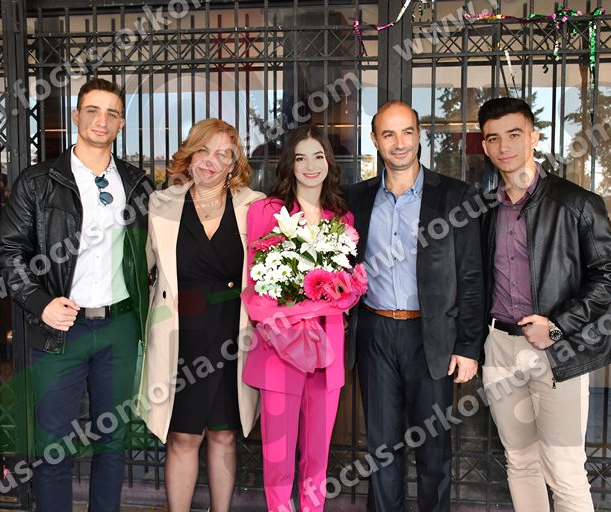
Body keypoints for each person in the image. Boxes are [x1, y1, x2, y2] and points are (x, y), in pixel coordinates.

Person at [0, 78, 152, 512]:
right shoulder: (39, 181)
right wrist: (40, 302)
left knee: (113, 441)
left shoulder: (137, 183)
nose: (102, 120)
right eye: (93, 110)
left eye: (112, 113)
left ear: (121, 123)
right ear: (77, 116)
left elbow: (154, 253)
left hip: (119, 327)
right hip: (60, 330)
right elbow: (7, 251)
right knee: (52, 445)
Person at [477, 97, 611, 512]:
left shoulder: (576, 202)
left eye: (514, 134)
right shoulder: (486, 210)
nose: (505, 146)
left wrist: (558, 325)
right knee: (520, 461)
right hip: (499, 347)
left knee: (564, 469)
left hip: (558, 350)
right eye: (494, 138)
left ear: (534, 137)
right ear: (485, 147)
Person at [343, 100, 485, 511]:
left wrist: (469, 346)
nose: (399, 142)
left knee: (434, 449)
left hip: (433, 336)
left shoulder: (456, 196)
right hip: (375, 333)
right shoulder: (356, 199)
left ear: (419, 135)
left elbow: (472, 277)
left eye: (407, 131)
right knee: (381, 448)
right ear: (375, 140)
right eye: (388, 134)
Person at [137, 118, 263, 512]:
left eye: (224, 154)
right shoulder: (161, 204)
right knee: (183, 437)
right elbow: (141, 270)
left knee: (224, 435)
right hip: (181, 336)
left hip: (232, 335)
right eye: (204, 150)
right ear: (190, 155)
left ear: (234, 164)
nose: (211, 161)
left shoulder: (254, 206)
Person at [243, 125, 353, 512]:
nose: (310, 165)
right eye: (301, 157)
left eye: (318, 156)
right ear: (289, 164)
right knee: (278, 457)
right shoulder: (266, 212)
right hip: (279, 350)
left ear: (329, 163)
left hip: (327, 351)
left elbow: (345, 286)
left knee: (318, 457)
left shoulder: (342, 218)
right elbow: (255, 284)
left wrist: (337, 297)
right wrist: (301, 309)